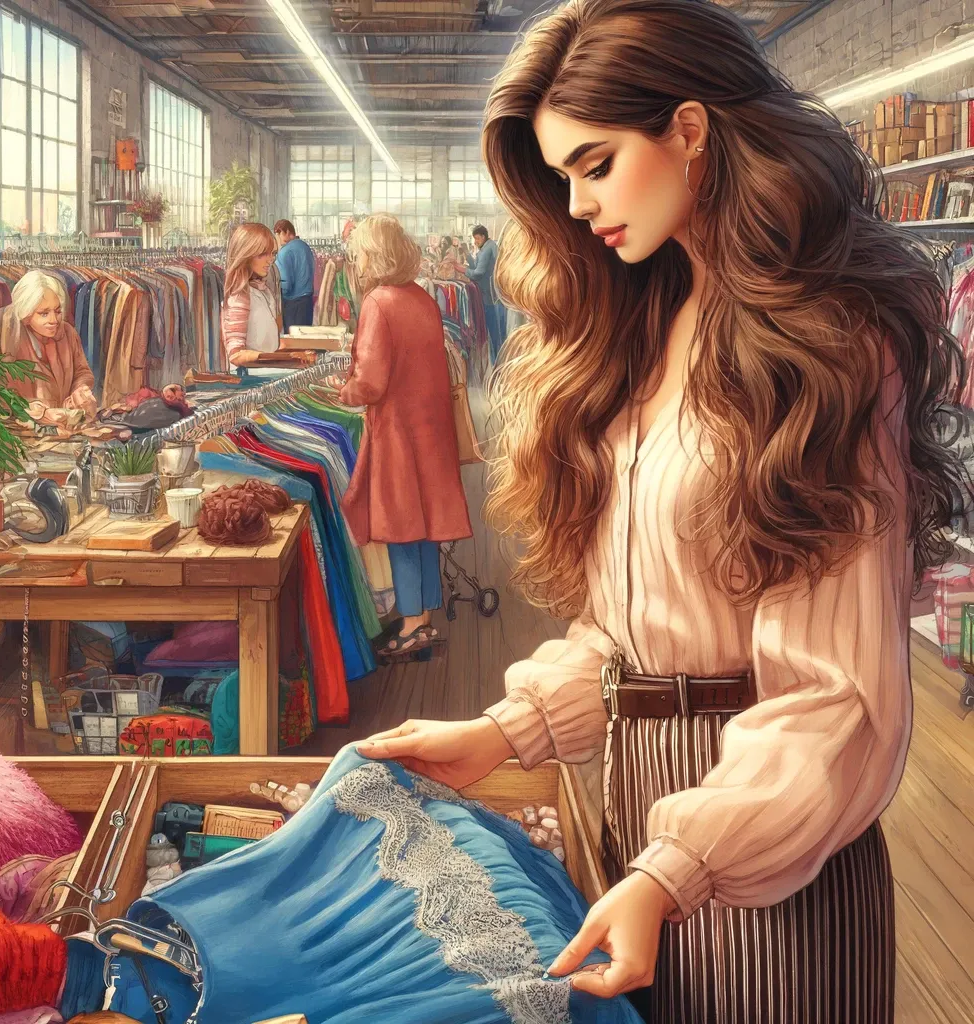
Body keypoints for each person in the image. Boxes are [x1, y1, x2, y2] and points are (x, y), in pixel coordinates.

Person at [357, 1, 966, 1021]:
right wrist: (505, 731)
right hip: (631, 805)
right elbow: (623, 628)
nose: (580, 203)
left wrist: (678, 862)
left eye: (595, 164)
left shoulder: (824, 348)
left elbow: (837, 696)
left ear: (689, 130)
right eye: (560, 180)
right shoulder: (642, 322)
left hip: (775, 840)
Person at [339, 214, 473, 659]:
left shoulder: (378, 302)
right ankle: (425, 619)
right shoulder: (422, 297)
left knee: (400, 527)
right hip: (430, 428)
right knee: (426, 526)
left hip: (397, 431)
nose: (355, 260)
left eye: (359, 251)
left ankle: (411, 623)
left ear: (374, 254)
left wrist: (342, 390)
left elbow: (372, 383)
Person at [0, 270, 97, 419]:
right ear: (26, 313)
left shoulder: (68, 333)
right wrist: (38, 412)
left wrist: (80, 390)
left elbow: (82, 371)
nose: (54, 320)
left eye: (57, 311)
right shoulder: (10, 340)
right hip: (26, 432)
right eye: (44, 313)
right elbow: (0, 397)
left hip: (66, 426)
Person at [221, 222, 282, 369]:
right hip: (252, 380)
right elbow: (235, 354)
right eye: (262, 254)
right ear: (246, 255)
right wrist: (279, 359)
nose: (270, 260)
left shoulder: (264, 291)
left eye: (272, 253)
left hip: (268, 375)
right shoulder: (240, 297)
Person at [465, 225, 505, 361]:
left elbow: (478, 272)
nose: (475, 241)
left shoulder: (488, 248)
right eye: (474, 239)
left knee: (494, 331)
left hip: (490, 296)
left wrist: (462, 269)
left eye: (477, 238)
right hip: (491, 295)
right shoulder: (486, 247)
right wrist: (467, 257)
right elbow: (477, 267)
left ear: (483, 236)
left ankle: (496, 361)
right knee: (495, 330)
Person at [274, 219, 316, 329]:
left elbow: (286, 284)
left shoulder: (284, 252)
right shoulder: (305, 247)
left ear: (288, 232)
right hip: (307, 301)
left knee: (293, 341)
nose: (277, 237)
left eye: (279, 233)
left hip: (293, 304)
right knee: (305, 340)